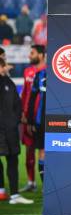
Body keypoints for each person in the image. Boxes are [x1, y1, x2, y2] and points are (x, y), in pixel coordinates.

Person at [0, 58, 33, 204]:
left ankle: (14, 195)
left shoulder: (8, 82)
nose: (7, 67)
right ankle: (2, 191)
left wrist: (15, 119)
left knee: (12, 159)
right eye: (5, 65)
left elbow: (17, 103)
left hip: (10, 129)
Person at [19, 45, 46, 193]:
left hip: (42, 117)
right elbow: (26, 93)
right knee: (29, 149)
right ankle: (31, 181)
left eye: (32, 53)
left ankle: (47, 181)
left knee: (44, 149)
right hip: (29, 116)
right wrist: (23, 113)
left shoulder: (48, 72)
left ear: (41, 55)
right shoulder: (27, 71)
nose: (29, 56)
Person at [27, 52, 47, 183]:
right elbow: (32, 98)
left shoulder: (66, 74)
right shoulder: (40, 75)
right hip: (42, 120)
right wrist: (30, 121)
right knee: (42, 151)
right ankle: (46, 184)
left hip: (61, 120)